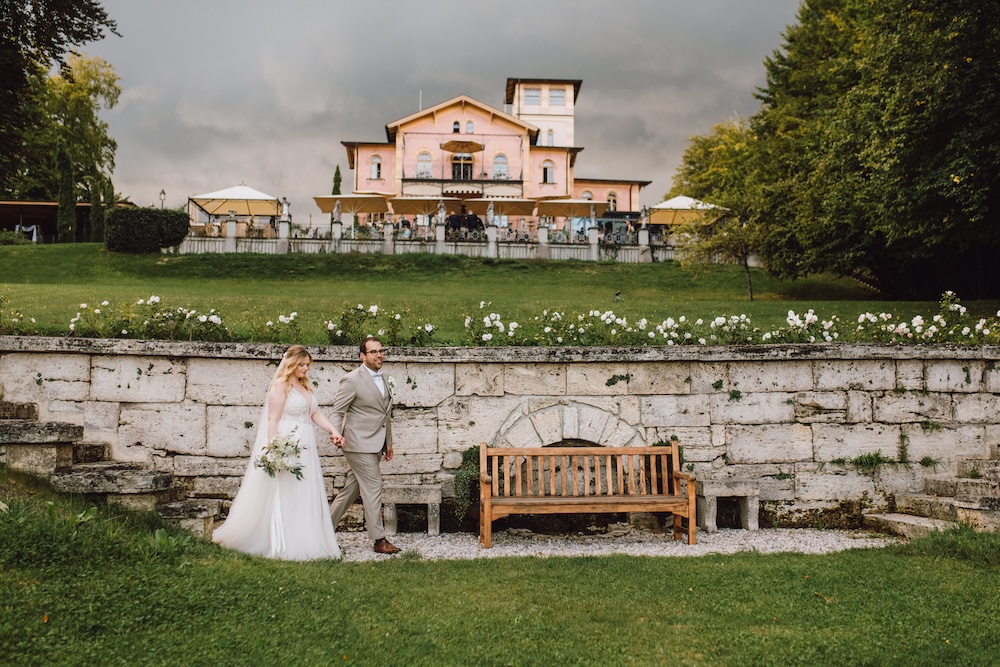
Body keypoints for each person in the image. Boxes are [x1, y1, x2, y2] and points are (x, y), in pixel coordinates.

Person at [212, 345, 342, 560]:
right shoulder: (280, 386)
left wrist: (333, 430)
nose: (305, 369)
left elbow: (315, 413)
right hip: (287, 441)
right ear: (291, 364)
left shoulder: (304, 387)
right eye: (301, 364)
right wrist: (274, 448)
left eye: (308, 365)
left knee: (303, 491)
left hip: (306, 445)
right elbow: (272, 419)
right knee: (285, 492)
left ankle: (306, 540)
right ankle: (282, 542)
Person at [328, 336, 401, 554]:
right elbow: (337, 411)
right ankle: (379, 540)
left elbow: (385, 414)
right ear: (363, 356)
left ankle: (323, 528)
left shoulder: (385, 377)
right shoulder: (351, 380)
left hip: (376, 445)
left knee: (351, 490)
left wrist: (388, 443)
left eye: (381, 351)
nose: (379, 355)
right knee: (373, 487)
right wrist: (335, 433)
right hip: (357, 444)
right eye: (373, 352)